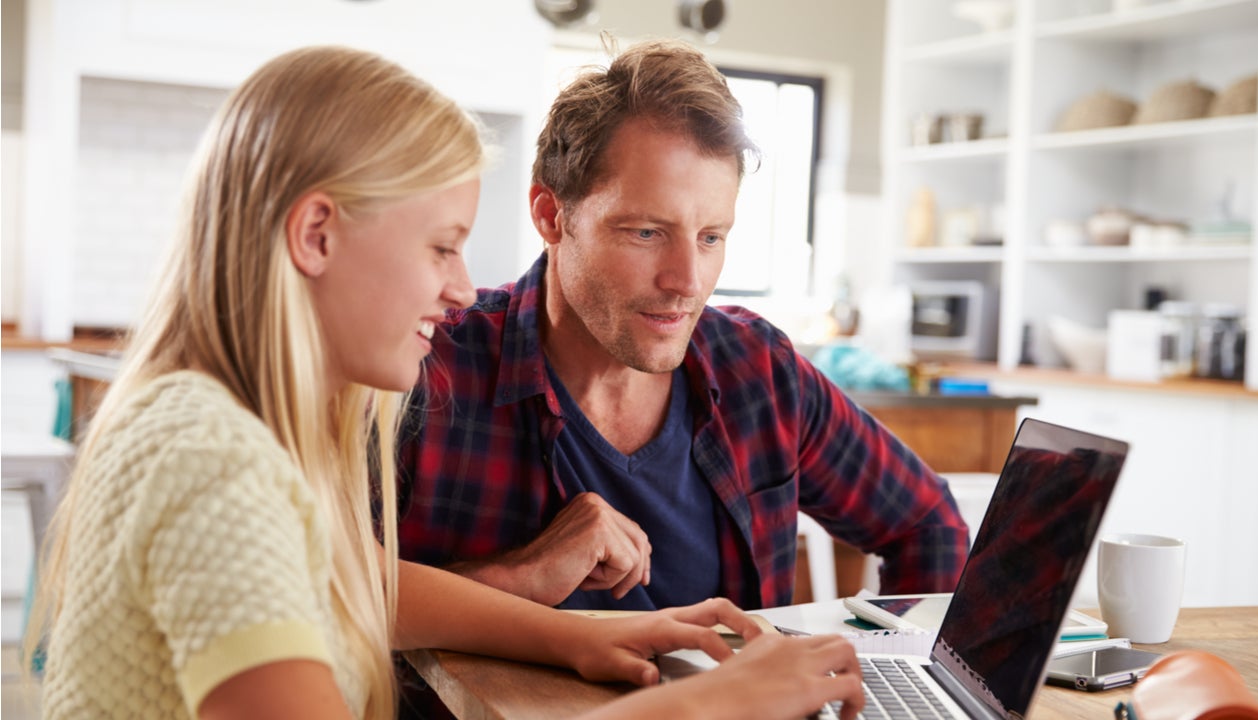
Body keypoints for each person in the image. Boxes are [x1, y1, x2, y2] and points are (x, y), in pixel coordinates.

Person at [22, 45, 866, 720]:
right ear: (317, 235)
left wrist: (573, 635)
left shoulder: (214, 426)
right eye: (441, 245)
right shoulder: (214, 459)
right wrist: (706, 707)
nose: (465, 287)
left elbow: (358, 587)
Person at [396, 37, 969, 614]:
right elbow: (329, 606)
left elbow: (928, 525)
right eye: (646, 232)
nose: (687, 281)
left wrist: (897, 665)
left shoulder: (759, 370)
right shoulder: (422, 366)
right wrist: (522, 576)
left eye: (711, 237)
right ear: (551, 215)